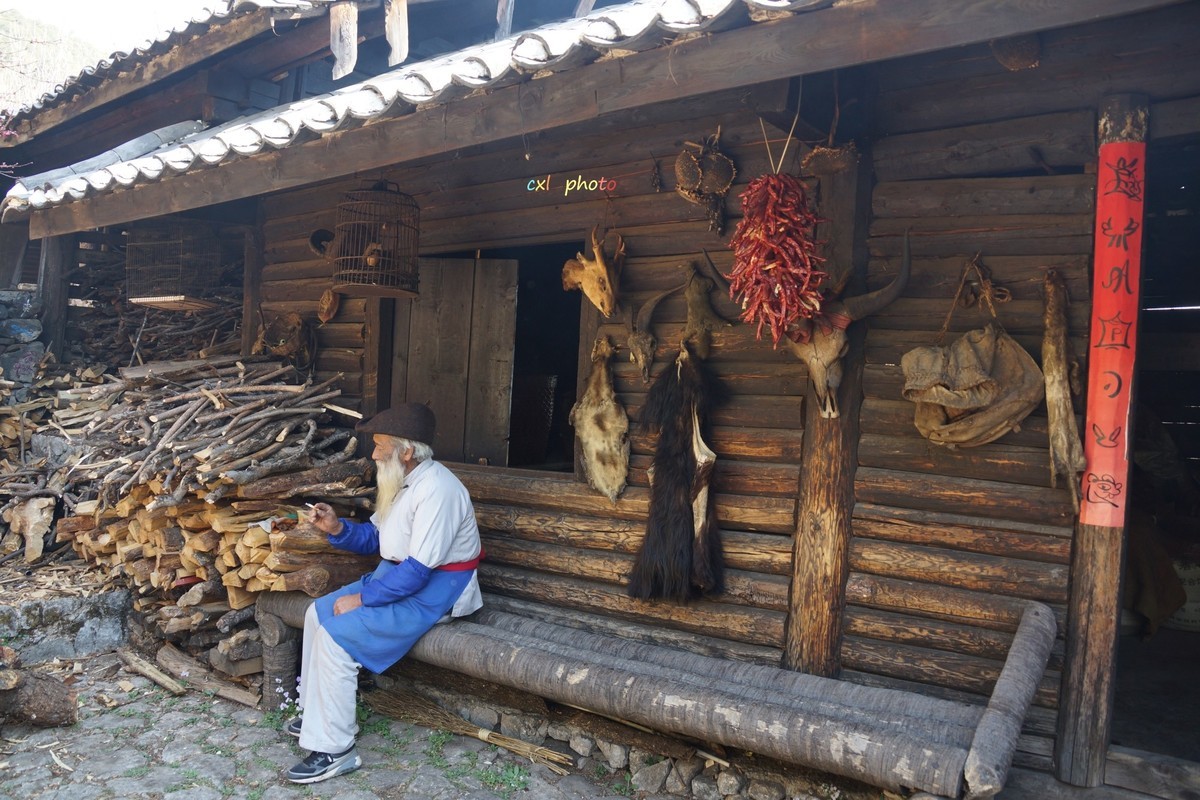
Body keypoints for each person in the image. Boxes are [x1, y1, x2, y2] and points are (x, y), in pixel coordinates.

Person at [284, 402, 483, 784]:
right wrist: (336, 527)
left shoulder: (438, 490)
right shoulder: (401, 482)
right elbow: (377, 538)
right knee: (316, 613)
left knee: (336, 638)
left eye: (380, 445)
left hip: (437, 592)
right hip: (398, 578)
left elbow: (418, 571)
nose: (373, 454)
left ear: (406, 452)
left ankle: (335, 750)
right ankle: (316, 715)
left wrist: (361, 600)